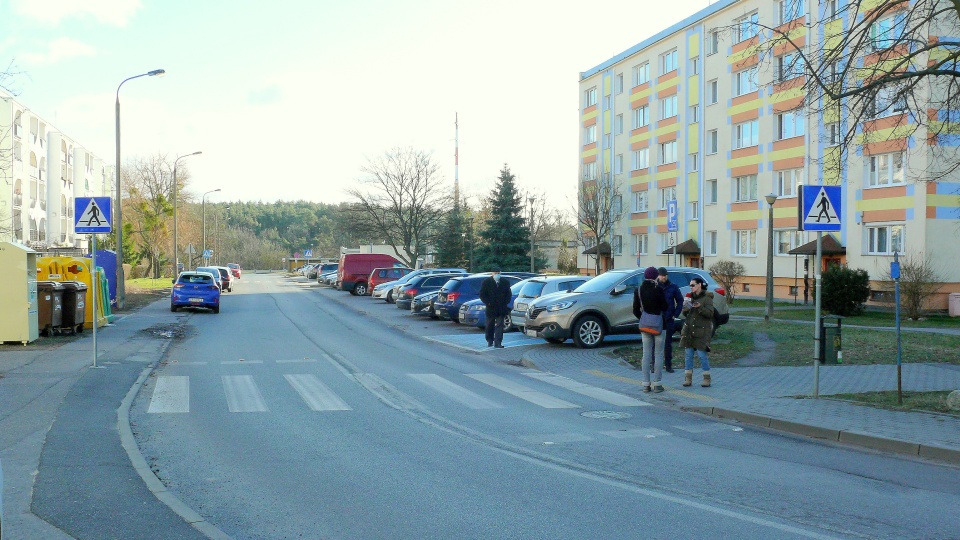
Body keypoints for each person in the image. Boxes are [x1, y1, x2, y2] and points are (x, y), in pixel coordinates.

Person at [633, 266, 668, 392]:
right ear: (656, 276)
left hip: (645, 325)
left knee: (646, 354)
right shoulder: (658, 289)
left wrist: (643, 317)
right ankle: (657, 383)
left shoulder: (638, 290)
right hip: (659, 325)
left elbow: (635, 309)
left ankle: (646, 384)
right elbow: (665, 306)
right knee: (658, 354)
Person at [680, 276, 714, 387]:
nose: (691, 287)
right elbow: (685, 314)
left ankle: (706, 378)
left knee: (701, 354)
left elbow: (710, 314)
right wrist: (686, 308)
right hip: (689, 329)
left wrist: (700, 307)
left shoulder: (707, 298)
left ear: (699, 285)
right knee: (688, 355)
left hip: (702, 330)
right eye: (690, 285)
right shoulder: (690, 297)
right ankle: (688, 378)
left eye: (693, 285)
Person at [657, 267, 684, 373]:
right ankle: (655, 365)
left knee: (668, 343)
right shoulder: (655, 286)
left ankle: (668, 365)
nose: (664, 277)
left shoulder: (673, 287)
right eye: (662, 275)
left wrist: (675, 314)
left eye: (665, 275)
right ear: (658, 276)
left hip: (669, 318)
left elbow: (680, 301)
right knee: (656, 343)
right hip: (658, 318)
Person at [479, 266, 512, 348]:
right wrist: (488, 302)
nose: (497, 275)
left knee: (500, 325)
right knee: (490, 324)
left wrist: (505, 302)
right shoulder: (486, 282)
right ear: (492, 273)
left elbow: (509, 294)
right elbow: (482, 294)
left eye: (498, 273)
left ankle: (498, 342)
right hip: (491, 307)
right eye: (495, 273)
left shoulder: (505, 282)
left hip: (501, 308)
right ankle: (490, 340)